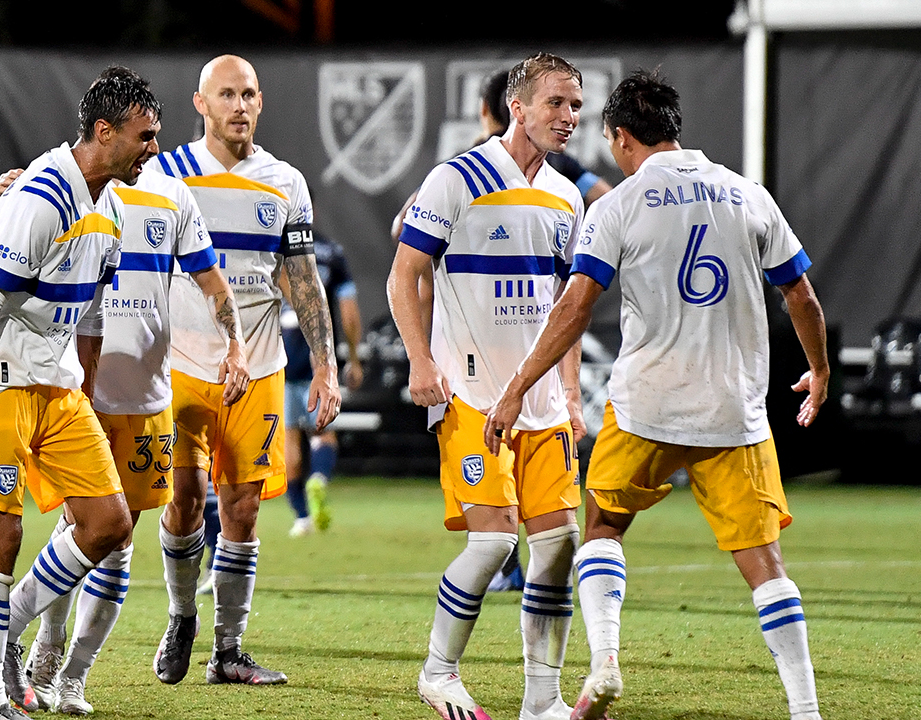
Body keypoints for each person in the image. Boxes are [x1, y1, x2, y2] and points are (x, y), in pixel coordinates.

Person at [486, 70, 828, 720]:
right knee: (764, 562)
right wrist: (821, 370)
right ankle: (806, 709)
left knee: (603, 528)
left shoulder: (617, 206)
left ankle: (606, 661)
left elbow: (574, 308)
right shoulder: (745, 194)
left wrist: (516, 389)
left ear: (620, 138)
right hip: (734, 411)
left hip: (645, 406)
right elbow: (801, 297)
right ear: (674, 127)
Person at [0, 66, 161, 720]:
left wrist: (89, 387)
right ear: (104, 131)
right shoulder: (41, 197)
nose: (153, 150)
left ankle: (8, 624)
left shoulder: (110, 206)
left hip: (56, 386)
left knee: (108, 523)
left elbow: (89, 315)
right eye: (144, 136)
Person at [387, 53, 588, 720]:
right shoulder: (457, 179)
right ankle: (438, 673)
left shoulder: (567, 198)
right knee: (495, 541)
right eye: (557, 103)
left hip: (545, 408)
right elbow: (403, 274)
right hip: (473, 399)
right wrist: (421, 363)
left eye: (576, 105)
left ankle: (544, 700)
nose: (570, 117)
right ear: (519, 107)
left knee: (557, 546)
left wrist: (574, 395)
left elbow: (569, 308)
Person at [13, 166, 249, 713]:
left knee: (117, 544)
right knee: (80, 529)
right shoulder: (70, 189)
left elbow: (212, 279)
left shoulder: (171, 195)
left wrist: (234, 345)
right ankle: (44, 651)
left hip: (146, 401)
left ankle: (74, 675)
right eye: (140, 133)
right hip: (79, 392)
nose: (149, 146)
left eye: (152, 134)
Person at [149, 54, 341, 686]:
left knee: (244, 510)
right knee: (180, 502)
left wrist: (325, 364)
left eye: (249, 94)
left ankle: (227, 651)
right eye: (226, 94)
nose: (239, 105)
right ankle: (182, 614)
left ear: (261, 103)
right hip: (178, 366)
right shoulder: (164, 174)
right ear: (200, 103)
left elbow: (303, 280)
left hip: (257, 368)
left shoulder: (284, 181)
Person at [281, 230, 363, 537]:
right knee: (324, 432)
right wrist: (353, 359)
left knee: (289, 439)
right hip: (319, 354)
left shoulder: (271, 243)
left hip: (281, 352)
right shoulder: (331, 251)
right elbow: (349, 314)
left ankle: (301, 517)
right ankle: (319, 476)